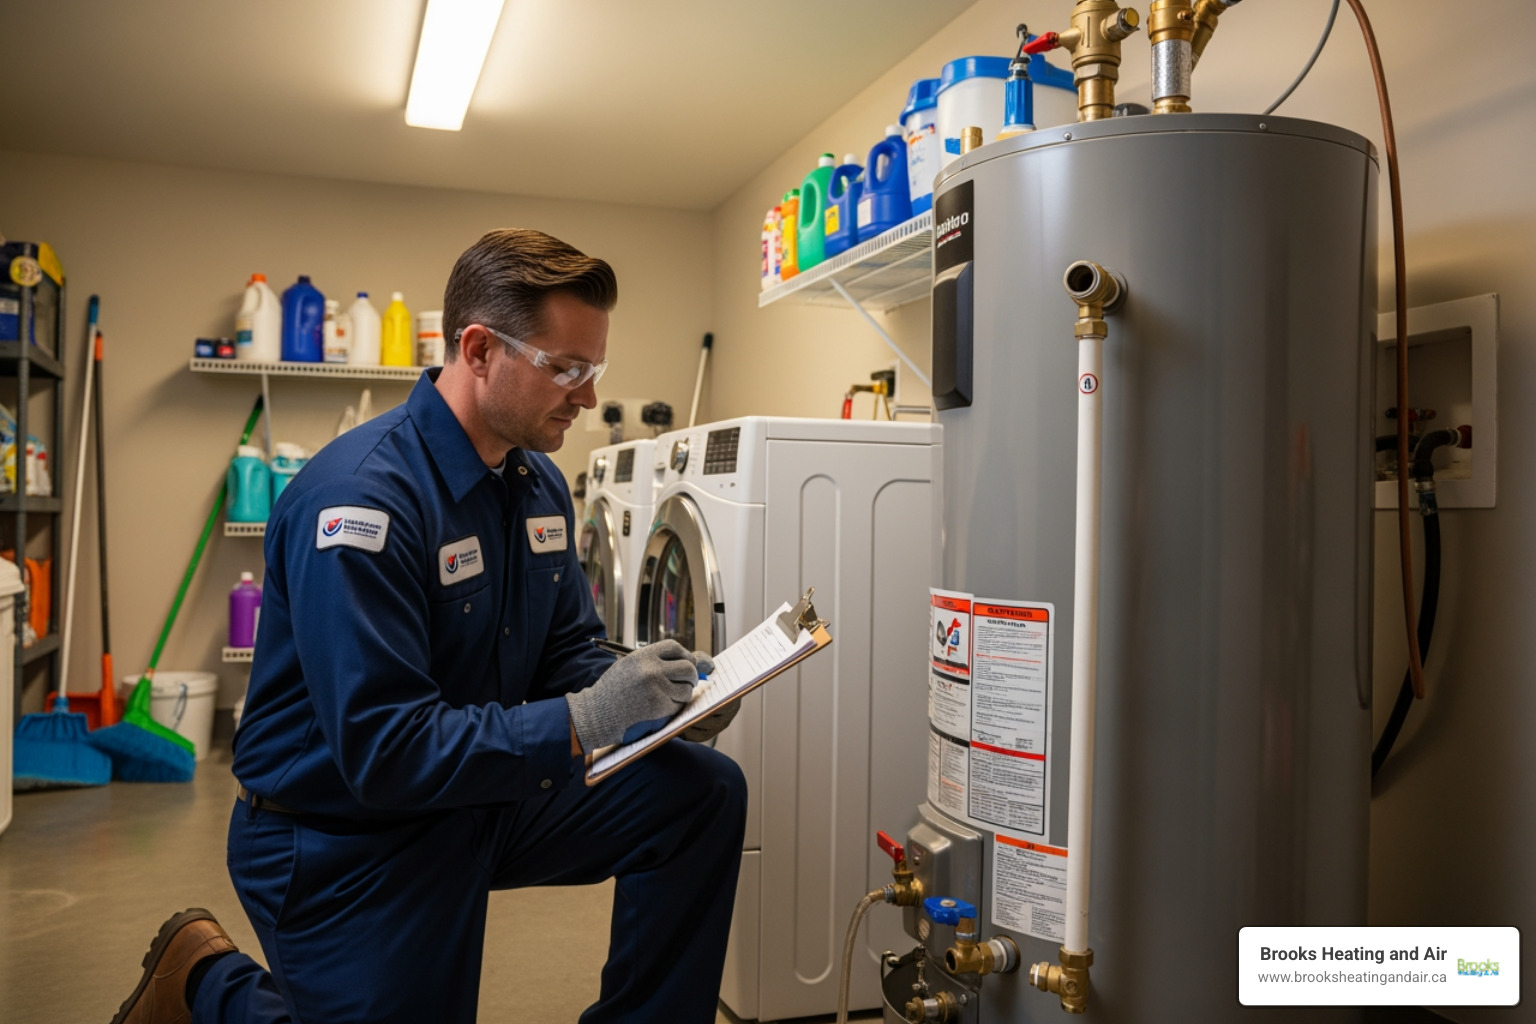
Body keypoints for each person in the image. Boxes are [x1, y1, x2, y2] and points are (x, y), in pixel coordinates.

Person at [110, 229, 746, 1024]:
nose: (586, 397)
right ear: (479, 350)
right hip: (342, 834)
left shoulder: (537, 483)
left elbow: (564, 654)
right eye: (566, 369)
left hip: (478, 793)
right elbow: (386, 751)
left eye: (596, 370)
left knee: (701, 794)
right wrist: (594, 716)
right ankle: (206, 980)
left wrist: (656, 700)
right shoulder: (363, 502)